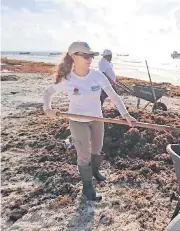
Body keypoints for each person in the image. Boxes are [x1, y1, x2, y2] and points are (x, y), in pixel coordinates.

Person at [43, 41, 136, 201]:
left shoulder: (97, 76)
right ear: (74, 57)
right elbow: (48, 93)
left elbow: (113, 95)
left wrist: (126, 115)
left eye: (91, 55)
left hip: (97, 118)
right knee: (84, 153)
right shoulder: (67, 79)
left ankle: (95, 172)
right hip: (77, 121)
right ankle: (87, 188)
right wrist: (47, 108)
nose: (90, 58)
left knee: (97, 149)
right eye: (85, 55)